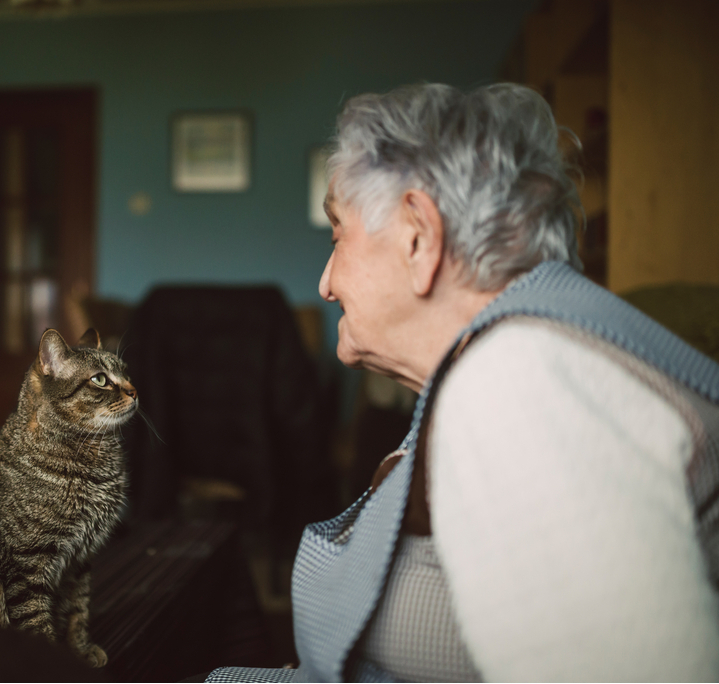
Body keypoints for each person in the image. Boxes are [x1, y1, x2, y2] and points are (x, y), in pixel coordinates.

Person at [206, 83, 719, 682]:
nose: (324, 284)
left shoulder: (516, 381)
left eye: (337, 235)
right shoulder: (517, 361)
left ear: (418, 237)